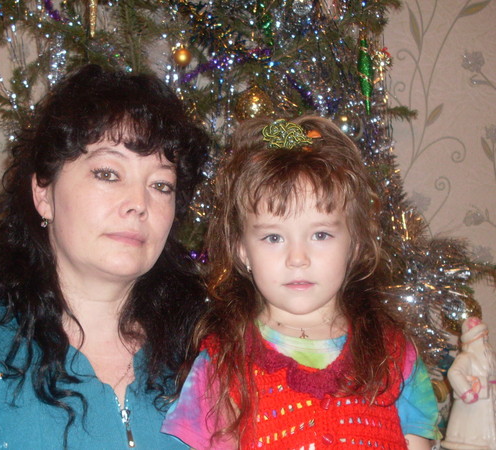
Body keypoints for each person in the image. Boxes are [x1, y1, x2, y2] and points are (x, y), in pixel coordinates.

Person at [0, 64, 210, 449]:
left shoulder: (208, 355)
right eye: (108, 174)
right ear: (43, 194)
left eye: (161, 185)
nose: (138, 203)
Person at [162, 116, 440, 448]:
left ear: (354, 245)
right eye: (273, 238)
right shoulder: (223, 362)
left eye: (320, 235)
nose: (297, 258)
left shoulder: (393, 353)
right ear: (242, 250)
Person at [442, 316, 496, 448]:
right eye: (481, 336)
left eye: (486, 335)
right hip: (474, 407)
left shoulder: (491, 357)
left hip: (492, 399)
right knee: (474, 435)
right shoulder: (466, 357)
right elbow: (454, 373)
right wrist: (467, 392)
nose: (485, 338)